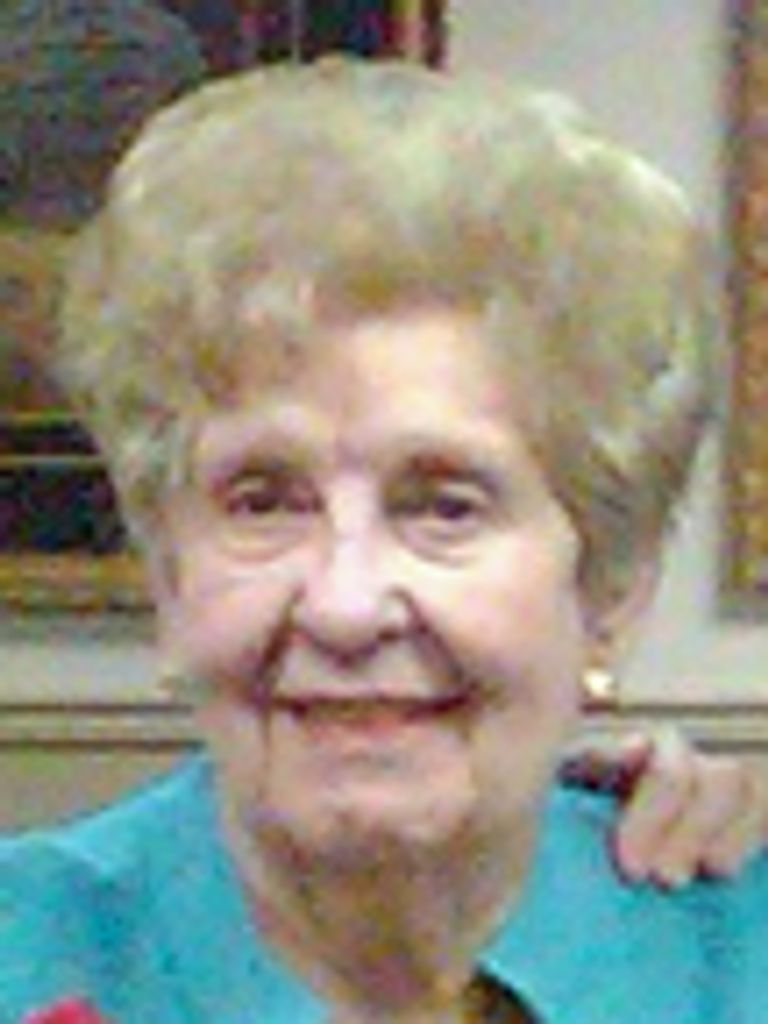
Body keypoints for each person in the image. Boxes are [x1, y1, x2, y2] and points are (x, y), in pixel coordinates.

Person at [2, 57, 767, 1024]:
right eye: (263, 502)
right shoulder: (26, 950)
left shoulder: (736, 960)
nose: (345, 604)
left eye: (443, 506)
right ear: (168, 574)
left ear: (611, 589)